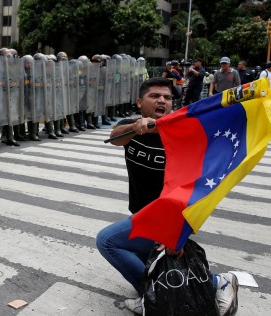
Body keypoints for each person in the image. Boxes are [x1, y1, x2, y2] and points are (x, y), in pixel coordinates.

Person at [96, 77, 239, 316]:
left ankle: (156, 297)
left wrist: (178, 231)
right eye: (155, 96)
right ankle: (216, 282)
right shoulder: (133, 125)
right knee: (148, 256)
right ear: (140, 102)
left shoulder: (182, 133)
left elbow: (193, 187)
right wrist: (136, 127)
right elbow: (114, 138)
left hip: (166, 216)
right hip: (141, 211)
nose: (162, 100)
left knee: (107, 241)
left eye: (168, 97)